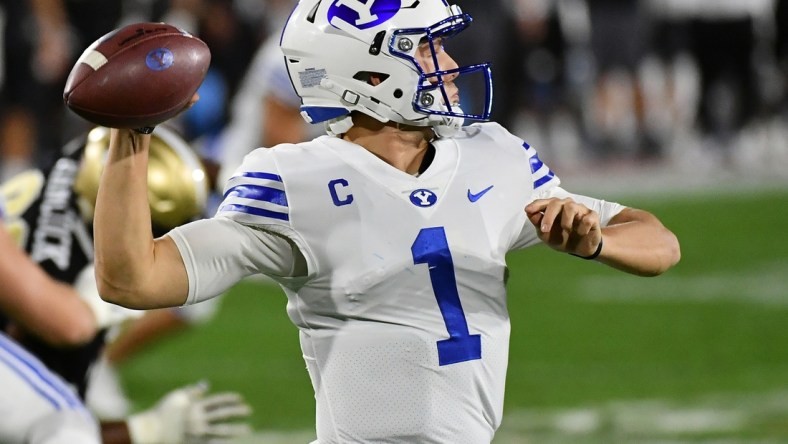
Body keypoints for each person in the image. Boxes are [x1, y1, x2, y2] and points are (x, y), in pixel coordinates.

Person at [93, 1, 681, 442]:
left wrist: (598, 240)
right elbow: (132, 281)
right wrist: (131, 136)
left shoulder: (492, 155)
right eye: (427, 50)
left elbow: (660, 243)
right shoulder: (295, 180)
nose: (449, 65)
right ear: (370, 74)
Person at [0, 126, 252, 443]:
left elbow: (167, 162)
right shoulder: (62, 266)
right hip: (39, 325)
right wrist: (145, 432)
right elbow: (69, 327)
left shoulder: (84, 160)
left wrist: (234, 178)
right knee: (65, 424)